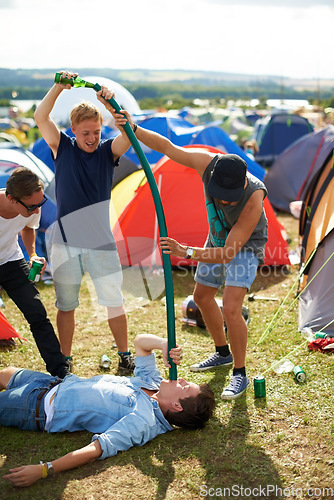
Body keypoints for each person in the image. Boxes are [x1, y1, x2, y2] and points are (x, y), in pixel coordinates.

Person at [113, 110, 268, 400]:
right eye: (219, 193)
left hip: (243, 246)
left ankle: (239, 372)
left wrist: (187, 251)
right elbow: (167, 148)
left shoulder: (254, 199)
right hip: (217, 239)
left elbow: (229, 253)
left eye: (228, 196)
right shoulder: (206, 164)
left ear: (243, 184)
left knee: (233, 307)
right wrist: (134, 129)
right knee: (202, 297)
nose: (222, 200)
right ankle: (221, 353)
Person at [1, 333, 215, 488]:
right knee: (5, 373)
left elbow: (97, 449)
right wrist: (163, 344)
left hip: (37, 407)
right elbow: (141, 343)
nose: (183, 379)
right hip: (52, 383)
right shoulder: (154, 382)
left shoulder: (143, 421)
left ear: (177, 406)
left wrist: (44, 469)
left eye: (185, 387)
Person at [34, 71, 134, 372]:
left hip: (101, 243)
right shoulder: (61, 147)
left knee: (113, 301)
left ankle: (125, 353)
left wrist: (112, 105)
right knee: (66, 305)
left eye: (96, 132)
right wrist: (58, 87)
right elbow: (41, 116)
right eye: (85, 133)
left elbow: (129, 135)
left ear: (101, 129)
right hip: (65, 242)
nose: (91, 138)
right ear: (73, 130)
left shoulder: (107, 152)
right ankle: (65, 357)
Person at [0, 167, 69, 379]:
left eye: (41, 204)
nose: (37, 211)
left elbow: (28, 228)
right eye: (32, 206)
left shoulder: (30, 209)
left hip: (10, 260)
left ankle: (61, 373)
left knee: (37, 314)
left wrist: (31, 254)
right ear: (11, 199)